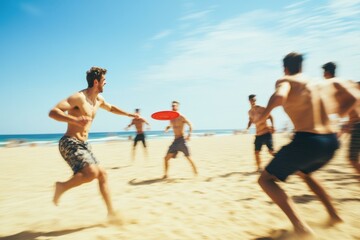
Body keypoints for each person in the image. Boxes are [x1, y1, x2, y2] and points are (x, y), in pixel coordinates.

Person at [254, 52, 355, 236]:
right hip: (331, 141)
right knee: (305, 173)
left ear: (285, 68)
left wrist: (265, 113)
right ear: (301, 66)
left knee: (265, 180)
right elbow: (353, 98)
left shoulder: (286, 80)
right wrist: (342, 114)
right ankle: (334, 216)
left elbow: (279, 97)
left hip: (308, 141)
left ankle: (301, 228)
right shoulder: (316, 83)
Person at [49, 66, 138, 219]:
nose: (106, 83)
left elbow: (111, 108)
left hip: (84, 144)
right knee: (91, 173)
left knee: (102, 174)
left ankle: (111, 213)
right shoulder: (78, 98)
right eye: (104, 80)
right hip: (69, 142)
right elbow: (53, 112)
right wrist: (75, 120)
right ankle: (61, 186)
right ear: (96, 82)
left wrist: (131, 115)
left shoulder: (98, 100)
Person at [163, 101, 198, 179]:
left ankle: (196, 172)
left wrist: (189, 135)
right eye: (172, 106)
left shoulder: (181, 117)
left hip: (182, 140)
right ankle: (166, 175)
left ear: (178, 107)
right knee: (165, 158)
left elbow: (190, 125)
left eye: (175, 106)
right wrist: (167, 128)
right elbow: (171, 125)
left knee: (188, 157)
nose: (173, 107)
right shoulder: (171, 118)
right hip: (175, 142)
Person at [246, 94, 275, 172]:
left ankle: (283, 163)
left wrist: (273, 126)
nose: (253, 101)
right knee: (256, 152)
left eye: (255, 100)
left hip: (266, 132)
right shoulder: (249, 112)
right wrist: (247, 127)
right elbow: (251, 120)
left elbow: (270, 116)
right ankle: (259, 168)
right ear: (249, 101)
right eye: (252, 100)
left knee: (271, 152)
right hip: (258, 135)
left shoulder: (261, 109)